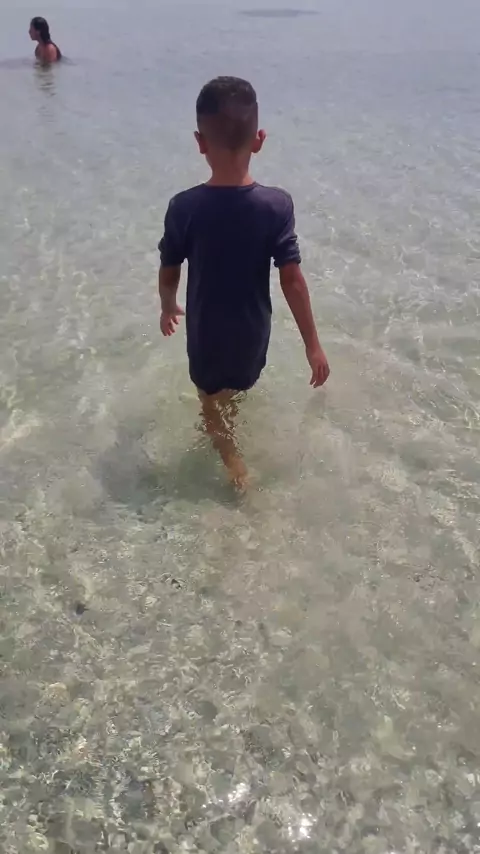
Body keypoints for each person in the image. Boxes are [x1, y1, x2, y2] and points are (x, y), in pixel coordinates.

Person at [158, 76, 330, 489]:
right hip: (252, 333)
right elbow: (292, 280)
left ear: (200, 142)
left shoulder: (184, 207)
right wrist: (312, 345)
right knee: (235, 389)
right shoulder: (276, 205)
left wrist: (167, 305)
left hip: (205, 332)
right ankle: (231, 440)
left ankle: (234, 465)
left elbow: (169, 268)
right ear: (259, 139)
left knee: (209, 402)